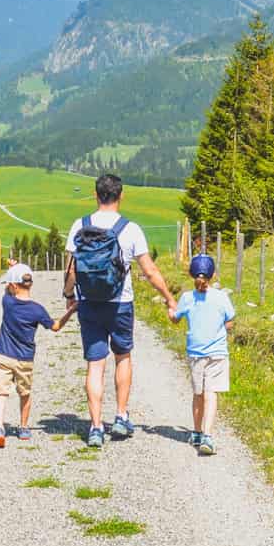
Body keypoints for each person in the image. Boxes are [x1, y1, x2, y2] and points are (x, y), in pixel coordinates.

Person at [63, 173, 175, 448]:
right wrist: (169, 298)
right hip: (121, 303)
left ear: (95, 194)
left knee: (95, 364)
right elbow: (149, 270)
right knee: (122, 356)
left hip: (89, 302)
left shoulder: (81, 224)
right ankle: (121, 416)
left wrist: (68, 295)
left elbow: (72, 268)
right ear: (121, 195)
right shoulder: (131, 229)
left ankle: (96, 427)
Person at [0, 262, 74, 448]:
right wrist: (71, 310)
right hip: (25, 359)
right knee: (25, 393)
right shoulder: (37, 309)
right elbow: (55, 326)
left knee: (1, 393)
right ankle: (24, 427)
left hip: (3, 355)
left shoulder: (8, 302)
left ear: (13, 285)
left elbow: (7, 289)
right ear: (31, 284)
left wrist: (14, 267)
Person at [168, 253, 235, 455]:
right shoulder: (222, 297)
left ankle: (196, 432)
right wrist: (224, 330)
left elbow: (175, 319)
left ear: (191, 274)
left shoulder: (187, 298)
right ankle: (207, 435)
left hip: (195, 353)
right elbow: (230, 320)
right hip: (217, 352)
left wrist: (170, 310)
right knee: (211, 393)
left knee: (198, 394)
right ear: (213, 274)